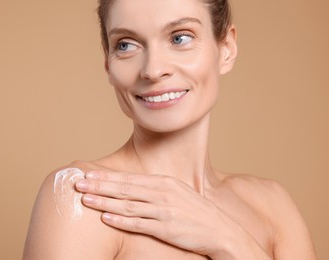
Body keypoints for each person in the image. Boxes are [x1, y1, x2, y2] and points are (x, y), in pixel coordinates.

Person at [23, 0, 317, 259]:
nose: (153, 69)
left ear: (226, 49)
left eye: (179, 38)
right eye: (126, 44)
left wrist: (228, 240)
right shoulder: (86, 198)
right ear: (107, 63)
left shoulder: (273, 206)